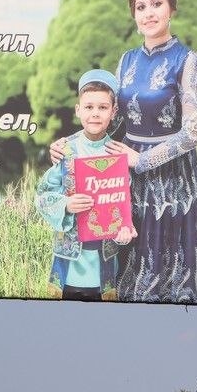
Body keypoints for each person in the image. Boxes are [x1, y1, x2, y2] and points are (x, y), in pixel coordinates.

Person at [52, 0, 197, 303]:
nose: (148, 13)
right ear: (134, 14)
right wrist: (70, 146)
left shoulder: (188, 60)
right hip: (123, 171)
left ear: (172, 8)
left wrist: (144, 158)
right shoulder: (125, 61)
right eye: (140, 7)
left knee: (166, 272)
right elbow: (110, 117)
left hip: (170, 174)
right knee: (122, 261)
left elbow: (195, 130)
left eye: (156, 4)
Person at [34, 70, 136, 300]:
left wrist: (125, 229)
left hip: (105, 264)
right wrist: (66, 204)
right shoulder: (65, 149)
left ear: (113, 111)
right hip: (67, 265)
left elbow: (125, 203)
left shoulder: (118, 153)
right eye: (89, 107)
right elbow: (41, 196)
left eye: (103, 107)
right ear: (78, 109)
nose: (95, 114)